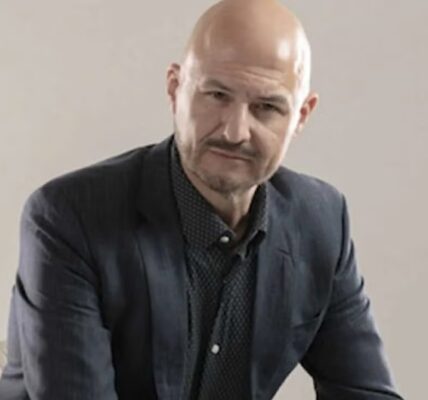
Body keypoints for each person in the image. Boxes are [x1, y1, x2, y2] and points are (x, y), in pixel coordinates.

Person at [0, 0, 403, 399]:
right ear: (175, 88)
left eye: (266, 107)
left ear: (301, 116)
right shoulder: (69, 217)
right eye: (217, 95)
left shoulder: (321, 222)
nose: (234, 132)